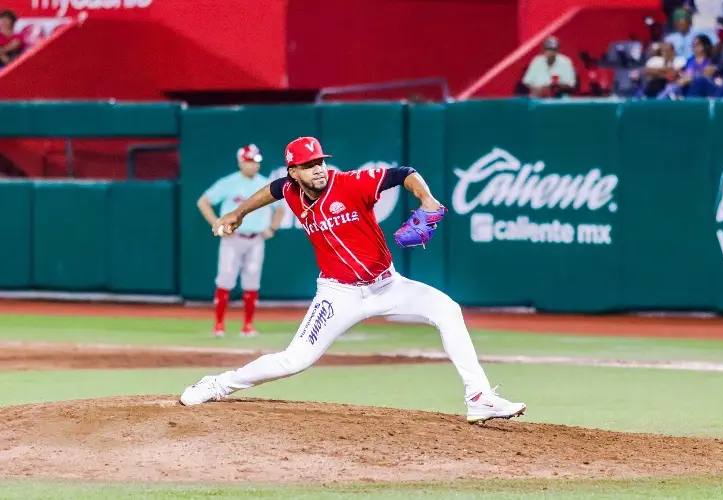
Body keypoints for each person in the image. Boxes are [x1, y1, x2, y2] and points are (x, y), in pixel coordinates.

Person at [180, 137, 527, 424]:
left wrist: (426, 198)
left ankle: (479, 397)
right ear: (294, 172)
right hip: (338, 293)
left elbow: (403, 173)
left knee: (448, 310)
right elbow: (271, 190)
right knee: (294, 360)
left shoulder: (348, 183)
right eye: (309, 165)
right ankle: (217, 385)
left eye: (320, 161)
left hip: (388, 285)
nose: (318, 169)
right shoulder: (289, 190)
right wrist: (237, 213)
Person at [197, 144, 286, 338]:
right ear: (240, 162)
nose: (253, 165)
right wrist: (217, 224)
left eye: (256, 161)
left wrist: (272, 227)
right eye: (249, 161)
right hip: (233, 238)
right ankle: (219, 325)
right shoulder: (229, 182)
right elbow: (203, 201)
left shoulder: (265, 184)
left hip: (256, 239)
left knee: (252, 281)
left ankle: (248, 326)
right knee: (225, 278)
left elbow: (281, 207)